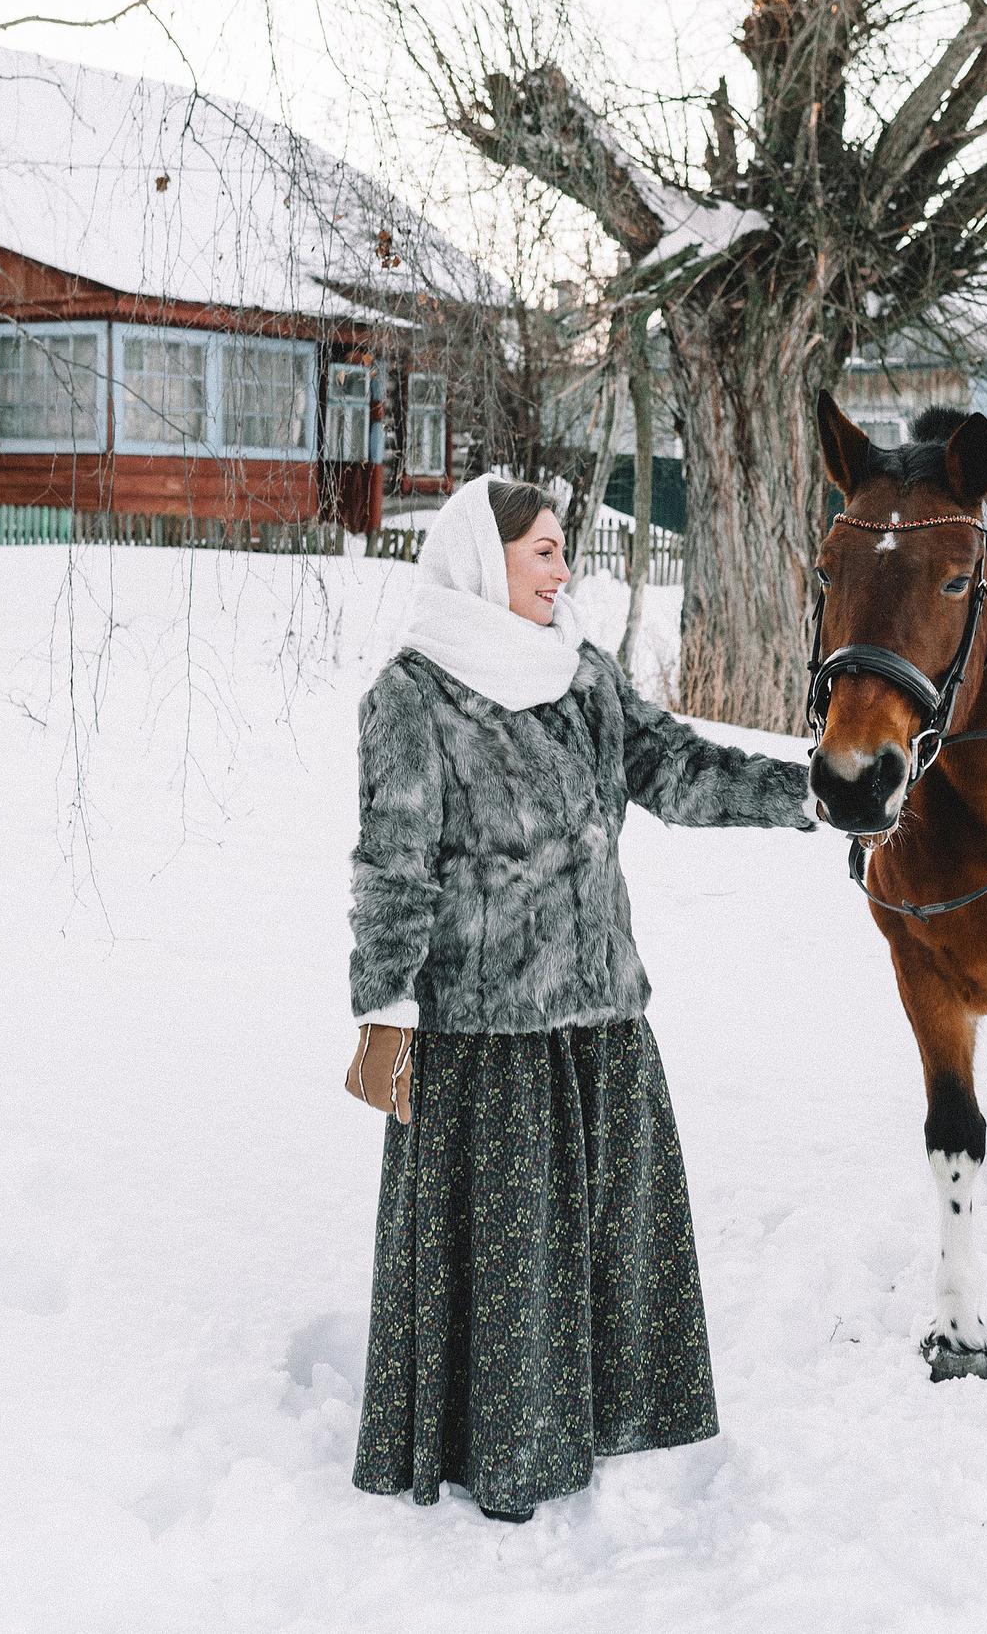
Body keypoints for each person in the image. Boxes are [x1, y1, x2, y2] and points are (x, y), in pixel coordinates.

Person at [344, 475, 814, 1524]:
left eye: (564, 552)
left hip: (602, 1019)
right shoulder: (413, 698)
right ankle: (505, 1464)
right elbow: (391, 865)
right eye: (544, 553)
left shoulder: (583, 678)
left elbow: (679, 769)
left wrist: (811, 790)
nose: (564, 572)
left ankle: (603, 1429)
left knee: (607, 1242)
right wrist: (383, 1015)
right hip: (486, 1039)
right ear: (483, 562)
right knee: (515, 1268)